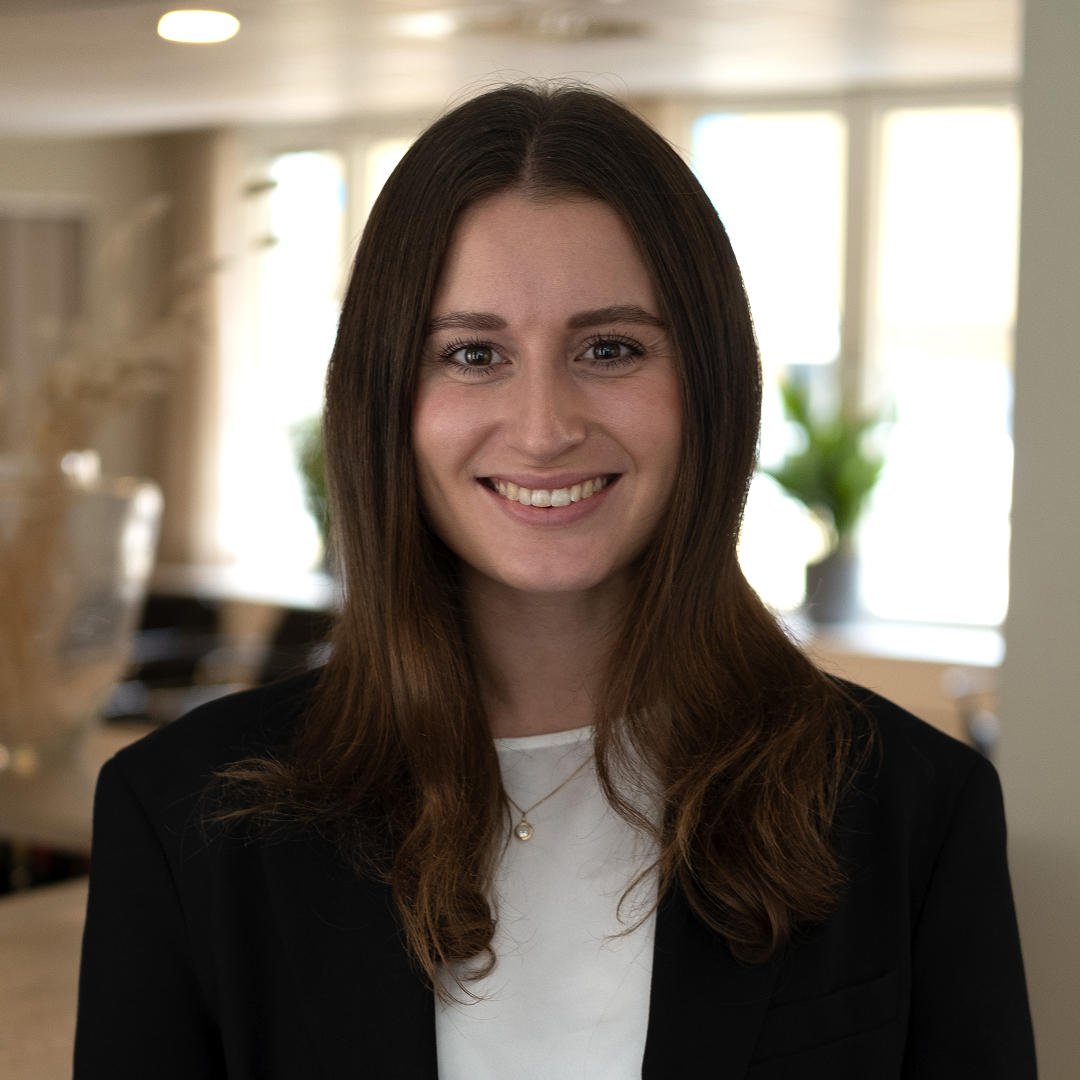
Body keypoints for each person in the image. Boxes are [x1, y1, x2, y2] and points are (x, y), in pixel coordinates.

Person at [74, 84, 1035, 1079]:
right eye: (473, 354)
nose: (544, 427)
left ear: (709, 385)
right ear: (383, 402)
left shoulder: (914, 807)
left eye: (609, 348)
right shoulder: (182, 815)